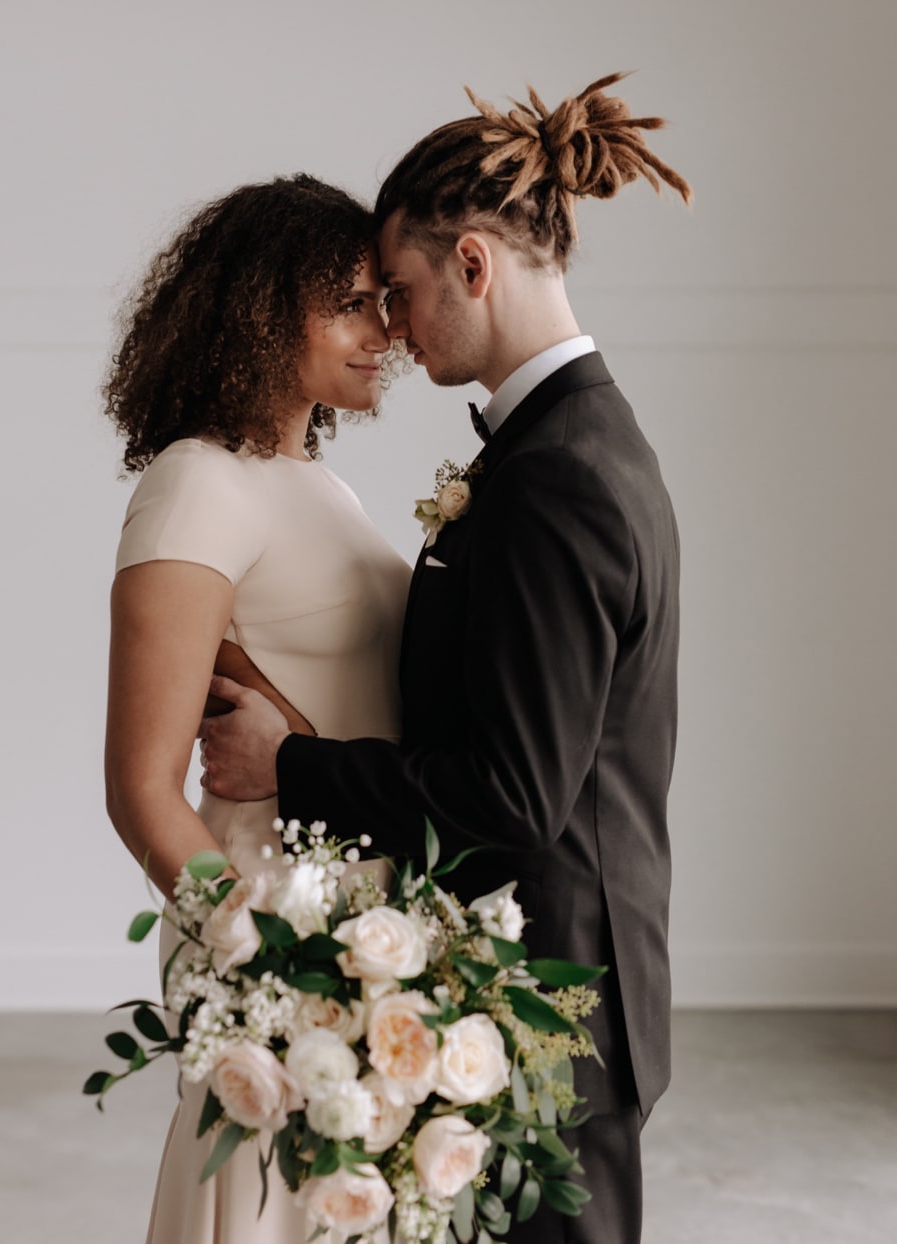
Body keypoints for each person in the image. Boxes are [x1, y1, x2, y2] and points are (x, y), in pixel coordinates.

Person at [199, 74, 689, 1244]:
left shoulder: (555, 478)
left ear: (473, 264)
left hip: (551, 1009)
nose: (396, 330)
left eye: (404, 293)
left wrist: (293, 764)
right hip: (545, 988)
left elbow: (512, 795)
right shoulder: (569, 441)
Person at [102, 174, 410, 1243]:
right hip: (280, 931)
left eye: (384, 298)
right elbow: (140, 787)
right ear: (265, 310)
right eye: (353, 302)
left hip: (369, 917)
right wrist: (255, 958)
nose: (387, 329)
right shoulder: (195, 485)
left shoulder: (316, 482)